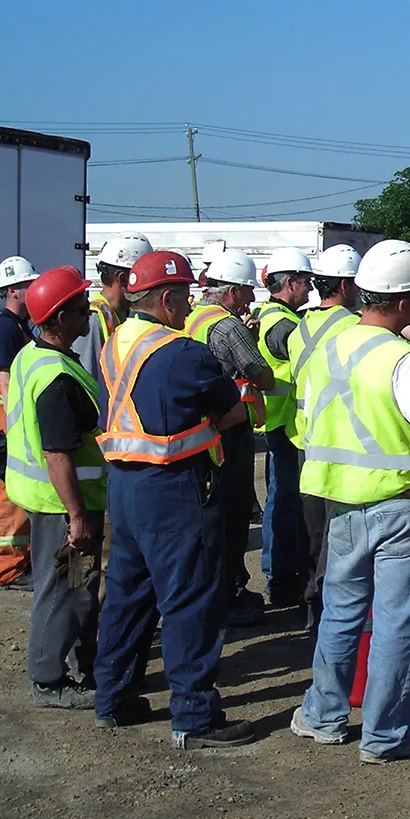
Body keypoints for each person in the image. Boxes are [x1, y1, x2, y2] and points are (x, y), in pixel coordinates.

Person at [290, 239, 410, 764]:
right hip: (400, 504)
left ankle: (323, 716)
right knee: (395, 623)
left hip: (340, 502)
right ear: (404, 302)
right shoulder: (405, 358)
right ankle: (385, 735)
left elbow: (309, 421)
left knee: (341, 613)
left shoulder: (326, 348)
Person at [92, 250, 256, 749]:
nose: (188, 308)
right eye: (184, 298)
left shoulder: (115, 341)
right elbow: (232, 416)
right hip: (173, 488)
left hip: (124, 487)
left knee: (127, 595)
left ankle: (113, 699)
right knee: (189, 601)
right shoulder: (184, 352)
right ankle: (194, 716)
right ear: (165, 299)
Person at [3, 266, 106, 710]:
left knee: (71, 587)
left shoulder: (34, 356)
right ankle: (49, 680)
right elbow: (58, 453)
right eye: (82, 311)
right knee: (68, 588)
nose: (89, 319)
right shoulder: (56, 378)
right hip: (63, 505)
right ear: (60, 318)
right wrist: (78, 517)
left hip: (52, 501)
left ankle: (83, 665)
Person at [183, 249, 275, 627]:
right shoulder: (229, 326)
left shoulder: (191, 318)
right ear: (232, 291)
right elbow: (261, 375)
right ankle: (233, 591)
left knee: (210, 516)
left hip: (200, 432)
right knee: (235, 514)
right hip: (231, 429)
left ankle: (214, 588)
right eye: (247, 291)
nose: (252, 298)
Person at [292, 244, 366, 631]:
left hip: (306, 441)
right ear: (344, 284)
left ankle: (309, 606)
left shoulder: (298, 325)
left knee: (313, 529)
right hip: (342, 442)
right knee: (339, 533)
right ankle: (328, 608)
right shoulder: (354, 326)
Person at [255, 248, 315, 606]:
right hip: (284, 425)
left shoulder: (273, 316)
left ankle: (280, 573)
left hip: (279, 422)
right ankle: (280, 577)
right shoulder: (282, 324)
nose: (310, 289)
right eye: (306, 282)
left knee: (283, 499)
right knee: (284, 502)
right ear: (290, 282)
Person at [0, 256, 39, 591]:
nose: (35, 290)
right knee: (7, 495)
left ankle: (20, 561)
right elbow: (6, 383)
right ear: (14, 291)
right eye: (29, 284)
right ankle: (8, 570)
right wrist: (18, 427)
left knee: (16, 492)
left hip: (4, 422)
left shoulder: (15, 327)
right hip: (3, 424)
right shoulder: (4, 329)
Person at [76, 231, 150, 382]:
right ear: (123, 279)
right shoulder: (93, 319)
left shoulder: (123, 313)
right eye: (143, 278)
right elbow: (87, 379)